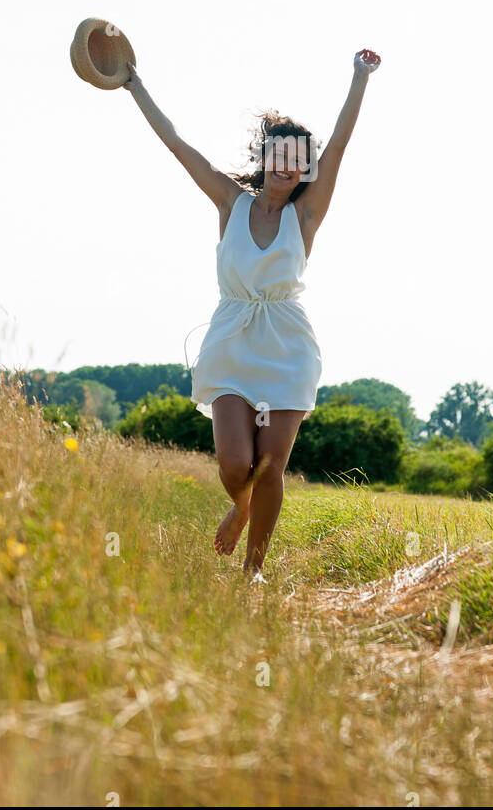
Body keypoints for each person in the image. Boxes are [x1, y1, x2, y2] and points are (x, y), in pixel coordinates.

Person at [121, 48, 381, 579]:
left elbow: (339, 147)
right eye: (280, 156)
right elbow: (177, 144)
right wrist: (133, 85)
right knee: (237, 464)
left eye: (298, 159)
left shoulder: (306, 214)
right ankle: (240, 508)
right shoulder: (229, 202)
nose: (290, 167)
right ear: (267, 158)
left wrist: (359, 78)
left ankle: (253, 570)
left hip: (287, 347)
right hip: (232, 343)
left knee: (270, 467)